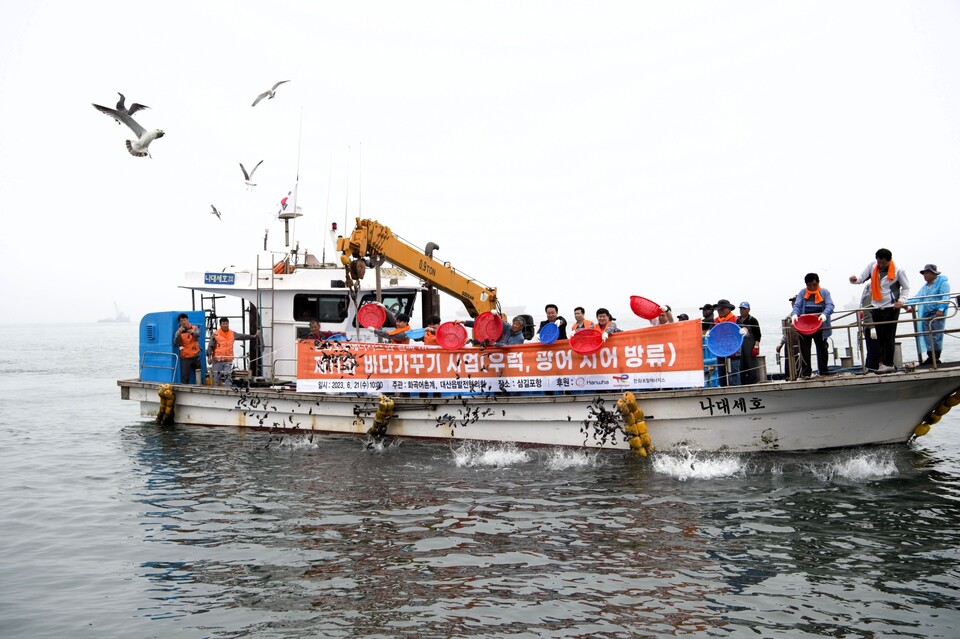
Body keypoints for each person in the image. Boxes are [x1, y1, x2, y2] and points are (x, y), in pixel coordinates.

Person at [849, 248, 911, 373]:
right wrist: (855, 279)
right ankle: (882, 362)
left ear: (889, 261)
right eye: (879, 262)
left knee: (889, 336)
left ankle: (889, 363)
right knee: (880, 337)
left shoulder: (899, 271)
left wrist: (901, 301)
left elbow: (906, 287)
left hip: (891, 307)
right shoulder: (872, 267)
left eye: (884, 263)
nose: (881, 265)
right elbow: (861, 278)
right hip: (876, 306)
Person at [790, 273, 835, 378]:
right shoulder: (802, 293)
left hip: (821, 325)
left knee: (822, 348)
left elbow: (830, 305)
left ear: (818, 283)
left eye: (814, 284)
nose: (812, 287)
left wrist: (825, 314)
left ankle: (823, 371)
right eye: (809, 285)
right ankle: (806, 373)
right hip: (805, 326)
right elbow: (797, 305)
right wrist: (795, 314)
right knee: (805, 349)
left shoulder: (824, 292)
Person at [908, 264, 950, 367]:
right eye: (924, 273)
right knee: (927, 335)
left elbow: (945, 296)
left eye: (927, 273)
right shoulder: (926, 287)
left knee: (936, 335)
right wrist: (907, 304)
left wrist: (941, 309)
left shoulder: (943, 283)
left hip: (936, 313)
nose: (925, 275)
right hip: (926, 313)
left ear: (933, 273)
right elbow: (918, 297)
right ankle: (930, 356)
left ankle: (935, 357)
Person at [208, 317, 258, 386]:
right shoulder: (215, 334)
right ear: (220, 325)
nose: (226, 325)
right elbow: (210, 346)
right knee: (216, 378)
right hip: (217, 360)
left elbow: (242, 336)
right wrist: (209, 357)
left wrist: (253, 336)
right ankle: (215, 392)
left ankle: (228, 392)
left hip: (228, 360)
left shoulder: (232, 333)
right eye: (224, 324)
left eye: (227, 323)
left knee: (228, 378)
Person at [711, 299, 740, 386]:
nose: (720, 311)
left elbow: (745, 329)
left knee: (734, 374)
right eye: (719, 309)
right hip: (720, 352)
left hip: (734, 352)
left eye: (722, 309)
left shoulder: (736, 319)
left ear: (729, 309)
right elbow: (711, 332)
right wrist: (709, 333)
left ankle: (736, 392)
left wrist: (744, 331)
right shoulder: (715, 321)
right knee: (721, 375)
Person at [173, 313, 203, 385]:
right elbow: (176, 342)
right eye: (181, 321)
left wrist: (192, 333)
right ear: (180, 322)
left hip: (196, 356)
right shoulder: (178, 331)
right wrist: (178, 334)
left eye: (185, 320)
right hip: (185, 357)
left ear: (188, 320)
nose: (183, 322)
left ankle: (200, 388)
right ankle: (185, 390)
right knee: (185, 376)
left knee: (199, 374)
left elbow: (198, 335)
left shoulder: (194, 328)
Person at [736, 302, 761, 384]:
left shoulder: (753, 320)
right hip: (740, 347)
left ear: (749, 310)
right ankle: (742, 384)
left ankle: (753, 383)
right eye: (741, 309)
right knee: (741, 366)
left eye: (744, 309)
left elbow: (758, 335)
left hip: (750, 346)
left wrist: (756, 347)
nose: (742, 310)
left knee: (751, 365)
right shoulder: (737, 320)